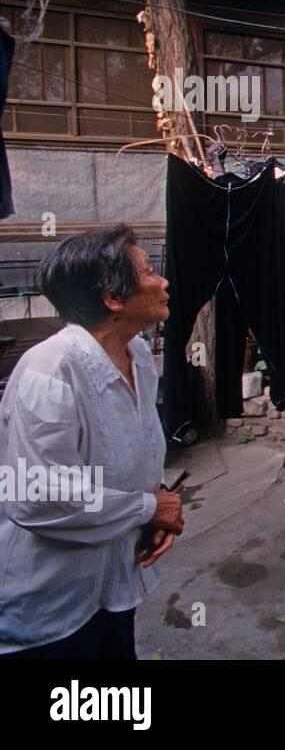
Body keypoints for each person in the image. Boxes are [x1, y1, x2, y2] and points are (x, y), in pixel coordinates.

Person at [0, 224, 183, 659]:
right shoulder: (50, 370)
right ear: (113, 298)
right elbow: (38, 498)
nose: (163, 281)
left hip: (113, 585)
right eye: (147, 271)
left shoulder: (137, 355)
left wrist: (153, 506)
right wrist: (149, 507)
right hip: (50, 608)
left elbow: (134, 454)